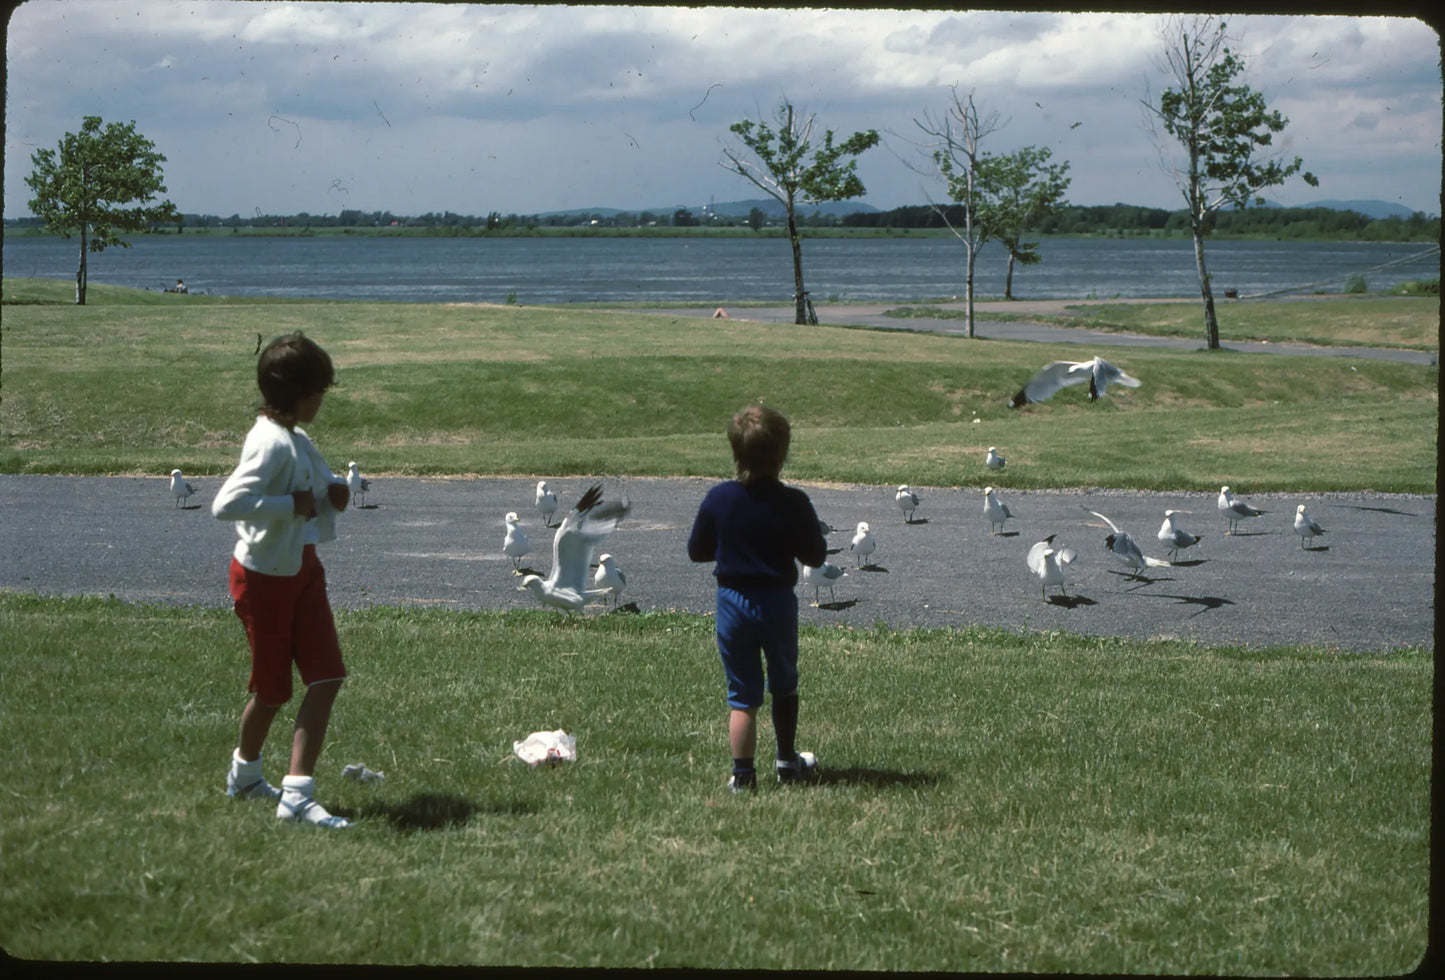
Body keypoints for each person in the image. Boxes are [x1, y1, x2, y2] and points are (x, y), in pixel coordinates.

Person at [211, 332, 352, 828]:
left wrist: (331, 494)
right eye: (319, 392)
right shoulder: (270, 442)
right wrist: (290, 506)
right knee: (272, 692)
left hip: (302, 568)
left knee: (327, 675)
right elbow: (225, 504)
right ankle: (245, 775)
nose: (322, 401)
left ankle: (296, 793)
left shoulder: (296, 437)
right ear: (300, 393)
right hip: (263, 578)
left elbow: (312, 487)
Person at [687, 404, 828, 793]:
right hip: (777, 603)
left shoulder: (719, 499)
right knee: (783, 683)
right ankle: (786, 762)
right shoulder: (794, 503)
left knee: (742, 694)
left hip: (732, 603)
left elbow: (697, 550)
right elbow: (815, 556)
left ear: (735, 454)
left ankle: (743, 776)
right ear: (782, 453)